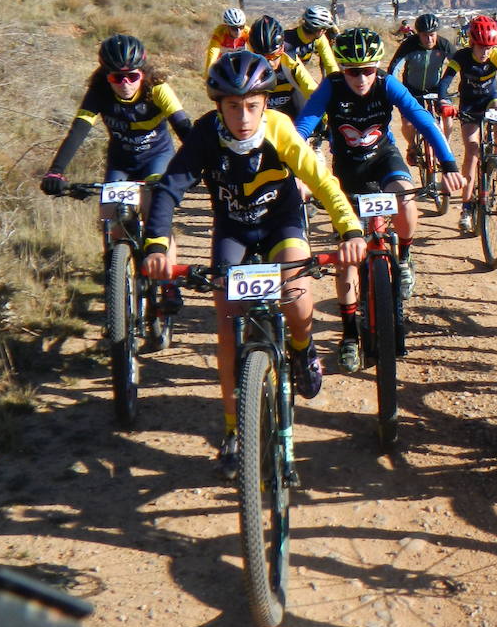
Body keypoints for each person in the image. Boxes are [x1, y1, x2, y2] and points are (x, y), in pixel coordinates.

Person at [141, 51, 366, 479]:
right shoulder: (206, 134)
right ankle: (232, 430)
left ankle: (302, 348)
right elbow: (169, 188)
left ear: (265, 103)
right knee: (227, 329)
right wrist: (155, 243)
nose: (243, 116)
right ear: (218, 105)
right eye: (232, 106)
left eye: (252, 105)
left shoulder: (279, 129)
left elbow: (320, 180)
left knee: (297, 297)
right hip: (234, 231)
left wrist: (350, 229)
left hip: (281, 224)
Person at [294, 27, 464, 373]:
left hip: (384, 158)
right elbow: (302, 128)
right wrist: (297, 172)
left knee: (404, 199)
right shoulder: (332, 86)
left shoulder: (387, 83)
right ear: (342, 68)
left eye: (368, 70)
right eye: (353, 71)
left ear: (377, 68)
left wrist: (448, 164)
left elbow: (423, 121)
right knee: (347, 256)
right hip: (348, 169)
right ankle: (349, 336)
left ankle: (406, 255)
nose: (360, 78)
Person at [40, 34, 193, 314]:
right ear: (105, 75)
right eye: (116, 78)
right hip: (121, 161)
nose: (125, 84)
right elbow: (78, 131)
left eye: (132, 77)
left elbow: (184, 129)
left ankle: (168, 281)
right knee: (111, 220)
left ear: (142, 72)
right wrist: (57, 172)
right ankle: (117, 277)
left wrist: (199, 163)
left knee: (155, 209)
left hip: (156, 158)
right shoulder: (98, 91)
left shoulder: (157, 88)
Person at [437, 14, 497, 234]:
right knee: (471, 152)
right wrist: (443, 100)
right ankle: (467, 207)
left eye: (490, 47)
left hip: (490, 100)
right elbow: (445, 81)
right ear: (471, 43)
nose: (486, 52)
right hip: (469, 106)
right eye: (481, 47)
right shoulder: (460, 57)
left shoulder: (495, 56)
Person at [387, 12, 456, 162]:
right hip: (412, 89)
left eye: (432, 35)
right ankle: (412, 146)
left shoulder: (444, 45)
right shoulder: (409, 45)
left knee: (447, 116)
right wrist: (392, 89)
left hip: (437, 88)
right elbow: (394, 68)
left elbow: (459, 64)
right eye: (425, 35)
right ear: (418, 34)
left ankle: (446, 145)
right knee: (408, 122)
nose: (429, 39)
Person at [248, 15, 317, 120]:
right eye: (263, 57)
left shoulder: (290, 60)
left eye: (274, 56)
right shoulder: (246, 66)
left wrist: (325, 115)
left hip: (291, 112)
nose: (270, 63)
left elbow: (310, 87)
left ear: (282, 49)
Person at [283, 5, 339, 78]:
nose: (325, 32)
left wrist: (337, 80)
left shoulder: (319, 39)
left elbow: (330, 64)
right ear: (320, 30)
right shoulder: (286, 41)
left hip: (297, 76)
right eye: (325, 29)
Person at [204, 6, 247, 74]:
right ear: (227, 26)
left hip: (240, 66)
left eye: (241, 27)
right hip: (222, 65)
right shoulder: (220, 32)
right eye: (234, 28)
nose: (238, 31)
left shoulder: (247, 32)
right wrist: (208, 74)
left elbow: (256, 49)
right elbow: (212, 53)